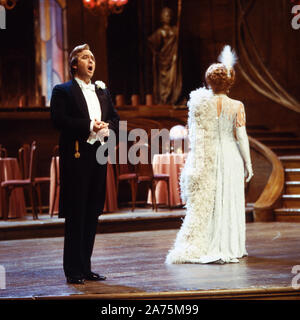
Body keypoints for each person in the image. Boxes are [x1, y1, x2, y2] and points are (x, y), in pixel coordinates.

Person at [166, 45, 253, 264]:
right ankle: (232, 245)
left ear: (209, 82)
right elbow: (241, 137)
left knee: (214, 200)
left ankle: (214, 240)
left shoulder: (198, 105)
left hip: (210, 156)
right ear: (229, 82)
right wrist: (248, 164)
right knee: (230, 198)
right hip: (230, 155)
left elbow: (194, 136)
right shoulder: (237, 105)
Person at [50, 44, 120, 284]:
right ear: (74, 64)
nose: (91, 61)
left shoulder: (102, 90)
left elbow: (115, 118)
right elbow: (59, 120)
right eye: (85, 58)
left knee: (92, 213)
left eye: (92, 57)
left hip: (98, 156)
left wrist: (109, 128)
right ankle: (73, 270)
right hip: (77, 156)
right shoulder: (63, 90)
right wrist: (90, 125)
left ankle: (86, 267)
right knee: (76, 213)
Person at [148, 7, 182, 105]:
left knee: (172, 80)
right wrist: (156, 53)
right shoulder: (159, 32)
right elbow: (151, 42)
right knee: (162, 82)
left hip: (172, 59)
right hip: (162, 60)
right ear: (162, 17)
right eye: (166, 15)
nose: (168, 17)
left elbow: (178, 44)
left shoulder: (175, 30)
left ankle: (172, 98)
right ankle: (162, 99)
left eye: (170, 15)